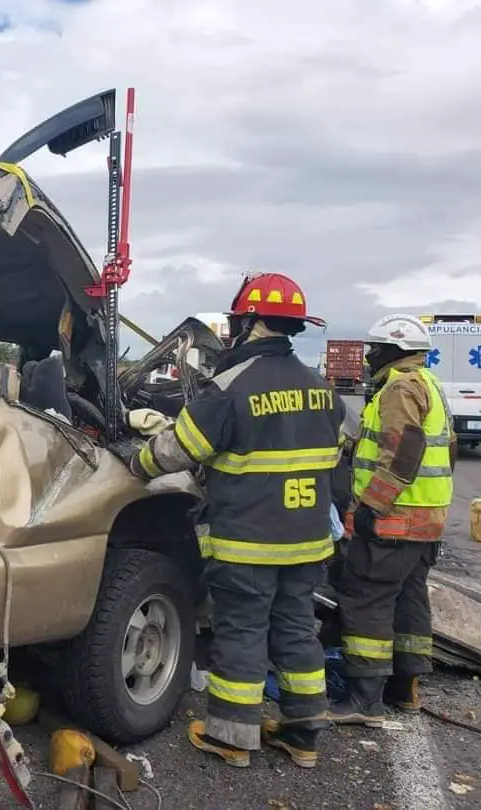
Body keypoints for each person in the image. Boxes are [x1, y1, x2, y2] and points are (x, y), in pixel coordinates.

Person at [114, 272, 345, 769]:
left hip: (249, 541)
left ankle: (232, 737)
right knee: (296, 630)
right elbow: (336, 450)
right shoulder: (322, 389)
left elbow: (181, 449)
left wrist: (136, 462)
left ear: (249, 323)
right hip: (307, 542)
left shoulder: (231, 387)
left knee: (242, 630)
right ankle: (304, 735)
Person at [330, 314, 454, 725]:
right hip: (425, 520)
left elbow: (404, 451)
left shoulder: (399, 388)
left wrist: (372, 507)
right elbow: (447, 450)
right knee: (410, 601)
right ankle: (406, 689)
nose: (368, 356)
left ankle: (365, 700)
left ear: (391, 350)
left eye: (374, 349)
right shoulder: (431, 385)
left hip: (394, 521)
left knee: (367, 599)